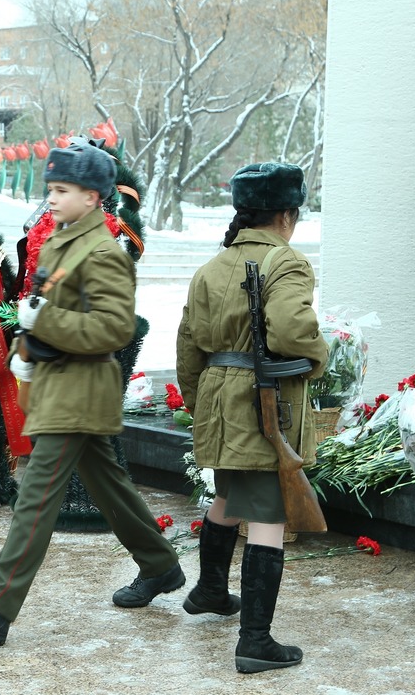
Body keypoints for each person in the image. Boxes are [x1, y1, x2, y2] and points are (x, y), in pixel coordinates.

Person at [0, 142, 183, 645]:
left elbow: (114, 328)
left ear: (93, 197)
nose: (52, 199)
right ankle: (160, 565)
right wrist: (29, 341)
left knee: (36, 498)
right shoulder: (63, 242)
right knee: (110, 486)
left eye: (63, 190)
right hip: (59, 385)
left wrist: (47, 321)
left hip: (81, 392)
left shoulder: (104, 252)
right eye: (51, 189)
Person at [175, 162, 328, 674]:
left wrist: (201, 406)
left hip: (220, 398)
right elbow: (289, 330)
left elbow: (188, 347)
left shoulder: (212, 267)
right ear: (287, 215)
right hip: (262, 404)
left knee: (229, 493)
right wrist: (319, 357)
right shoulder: (287, 262)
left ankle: (211, 590)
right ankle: (254, 641)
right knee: (267, 513)